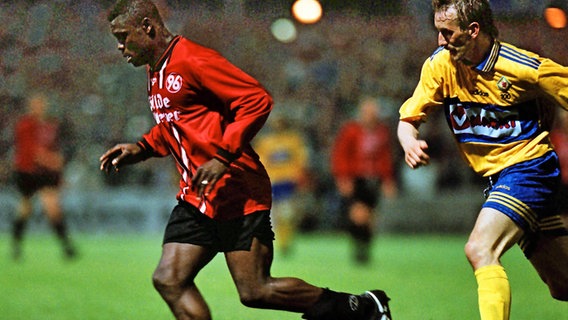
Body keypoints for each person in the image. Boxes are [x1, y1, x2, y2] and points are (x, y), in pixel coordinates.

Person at [100, 1, 391, 319]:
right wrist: (141, 148)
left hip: (236, 189)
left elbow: (256, 100)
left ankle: (362, 308)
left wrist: (222, 157)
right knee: (169, 279)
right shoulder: (155, 70)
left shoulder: (193, 59)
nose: (119, 46)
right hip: (198, 194)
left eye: (122, 36)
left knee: (256, 291)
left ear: (147, 28)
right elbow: (177, 124)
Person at [397, 1, 568, 319]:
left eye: (446, 32)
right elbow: (409, 118)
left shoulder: (523, 66)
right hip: (500, 179)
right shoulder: (440, 65)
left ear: (473, 31)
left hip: (529, 168)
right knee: (563, 285)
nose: (439, 41)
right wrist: (408, 141)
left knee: (480, 249)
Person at [331, 96, 397, 264]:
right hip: (356, 178)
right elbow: (341, 155)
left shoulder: (381, 132)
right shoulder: (351, 131)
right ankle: (358, 248)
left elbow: (385, 157)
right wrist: (343, 178)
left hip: (374, 179)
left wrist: (388, 180)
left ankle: (365, 248)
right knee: (358, 214)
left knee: (371, 218)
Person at [11, 93, 77, 260]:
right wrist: (53, 161)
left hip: (45, 174)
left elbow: (54, 148)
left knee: (53, 208)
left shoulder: (50, 124)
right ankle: (16, 245)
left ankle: (66, 247)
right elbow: (32, 152)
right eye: (36, 105)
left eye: (41, 104)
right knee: (26, 209)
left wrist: (56, 167)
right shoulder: (25, 125)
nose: (39, 108)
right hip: (28, 172)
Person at [254, 115, 310, 256]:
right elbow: (259, 161)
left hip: (288, 182)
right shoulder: (265, 142)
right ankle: (281, 242)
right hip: (273, 182)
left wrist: (299, 177)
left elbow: (301, 160)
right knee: (275, 215)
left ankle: (286, 241)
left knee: (287, 214)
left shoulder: (294, 140)